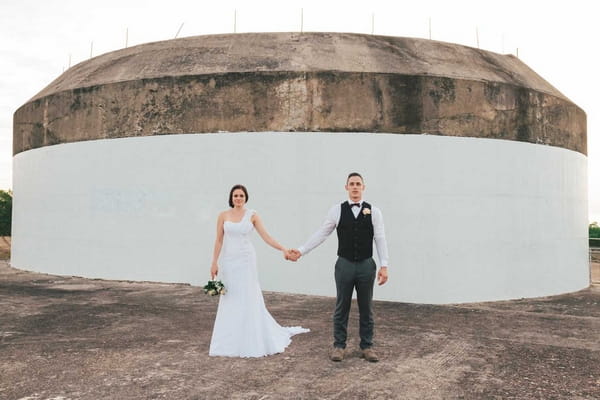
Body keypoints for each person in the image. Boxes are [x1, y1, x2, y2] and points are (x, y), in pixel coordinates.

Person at [287, 172, 389, 362]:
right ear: (346, 187)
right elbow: (322, 233)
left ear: (363, 187)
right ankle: (339, 346)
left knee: (366, 307)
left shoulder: (374, 211)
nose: (355, 187)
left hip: (367, 265)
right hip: (344, 264)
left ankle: (367, 346)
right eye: (352, 184)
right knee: (341, 306)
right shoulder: (337, 210)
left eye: (358, 184)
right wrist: (301, 251)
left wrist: (384, 265)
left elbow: (380, 239)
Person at [209, 184, 309, 357]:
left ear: (245, 198)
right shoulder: (223, 216)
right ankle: (229, 339)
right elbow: (218, 240)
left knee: (248, 295)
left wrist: (283, 249)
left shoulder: (252, 216)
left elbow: (266, 237)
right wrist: (214, 262)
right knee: (230, 296)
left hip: (246, 260)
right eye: (235, 196)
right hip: (229, 261)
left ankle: (251, 338)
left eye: (241, 195)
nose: (238, 198)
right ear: (231, 198)